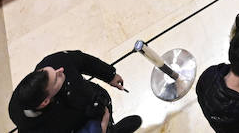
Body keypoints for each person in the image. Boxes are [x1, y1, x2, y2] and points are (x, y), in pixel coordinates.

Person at [8, 50, 141, 133]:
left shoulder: (54, 62)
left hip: (96, 105)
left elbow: (83, 60)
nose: (60, 70)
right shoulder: (32, 127)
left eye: (53, 71)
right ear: (45, 101)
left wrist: (109, 75)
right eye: (56, 78)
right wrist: (101, 129)